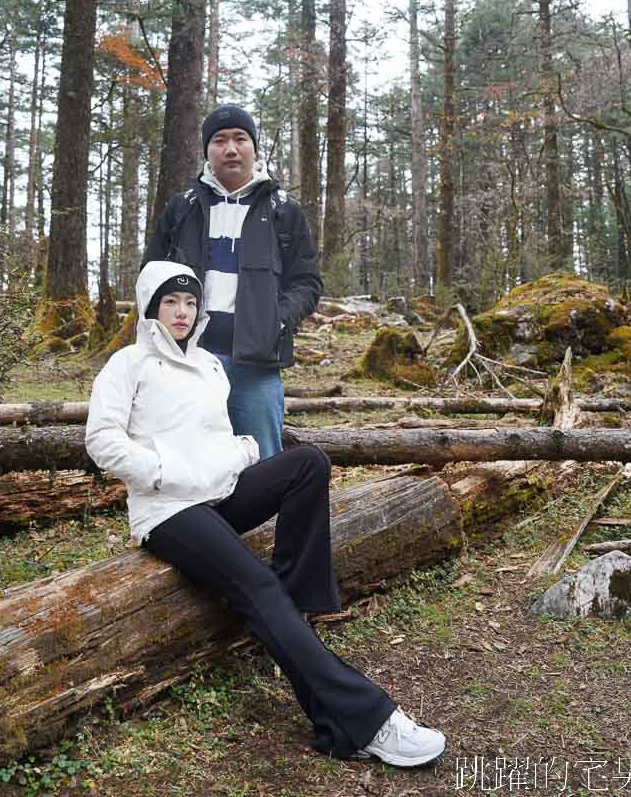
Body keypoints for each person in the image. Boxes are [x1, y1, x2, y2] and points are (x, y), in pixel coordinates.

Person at [86, 260, 447, 767]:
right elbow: (101, 441)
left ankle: (294, 604)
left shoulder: (211, 365)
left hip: (218, 493)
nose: (183, 312)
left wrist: (243, 451)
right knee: (257, 586)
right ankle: (363, 722)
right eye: (171, 302)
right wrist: (164, 472)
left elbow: (213, 435)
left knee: (307, 463)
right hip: (169, 509)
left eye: (191, 302)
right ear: (151, 307)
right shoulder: (128, 364)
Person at [141, 102, 322, 460]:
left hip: (256, 366)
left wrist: (278, 319)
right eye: (220, 140)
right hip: (187, 360)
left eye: (241, 138)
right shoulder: (183, 208)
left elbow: (307, 282)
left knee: (263, 462)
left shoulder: (283, 211)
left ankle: (262, 519)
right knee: (188, 458)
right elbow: (152, 278)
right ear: (207, 150)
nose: (231, 148)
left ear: (254, 147)